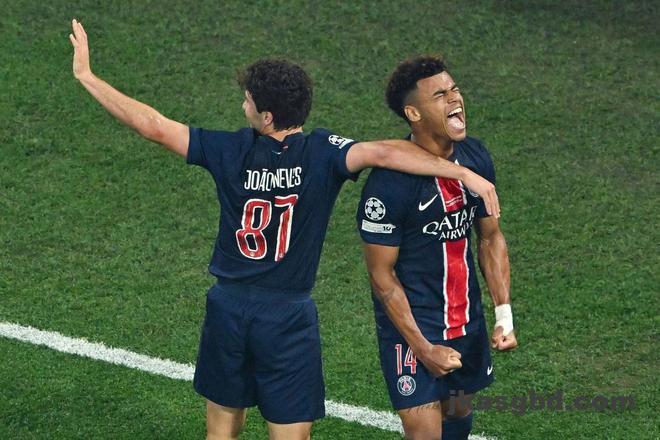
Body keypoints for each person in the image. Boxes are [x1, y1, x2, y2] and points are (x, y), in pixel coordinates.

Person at [69, 20, 501, 440]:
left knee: (220, 432)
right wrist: (463, 173)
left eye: (247, 101)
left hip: (228, 308)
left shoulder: (228, 149)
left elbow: (153, 125)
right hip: (288, 318)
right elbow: (388, 154)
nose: (243, 106)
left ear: (266, 116)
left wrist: (88, 77)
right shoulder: (323, 154)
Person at [356, 56, 518, 440]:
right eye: (440, 95)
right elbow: (381, 277)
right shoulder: (388, 185)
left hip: (466, 322)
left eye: (455, 89)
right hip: (412, 328)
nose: (455, 99)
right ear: (413, 113)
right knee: (425, 433)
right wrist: (423, 347)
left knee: (457, 421)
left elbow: (490, 237)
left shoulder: (475, 157)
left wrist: (504, 314)